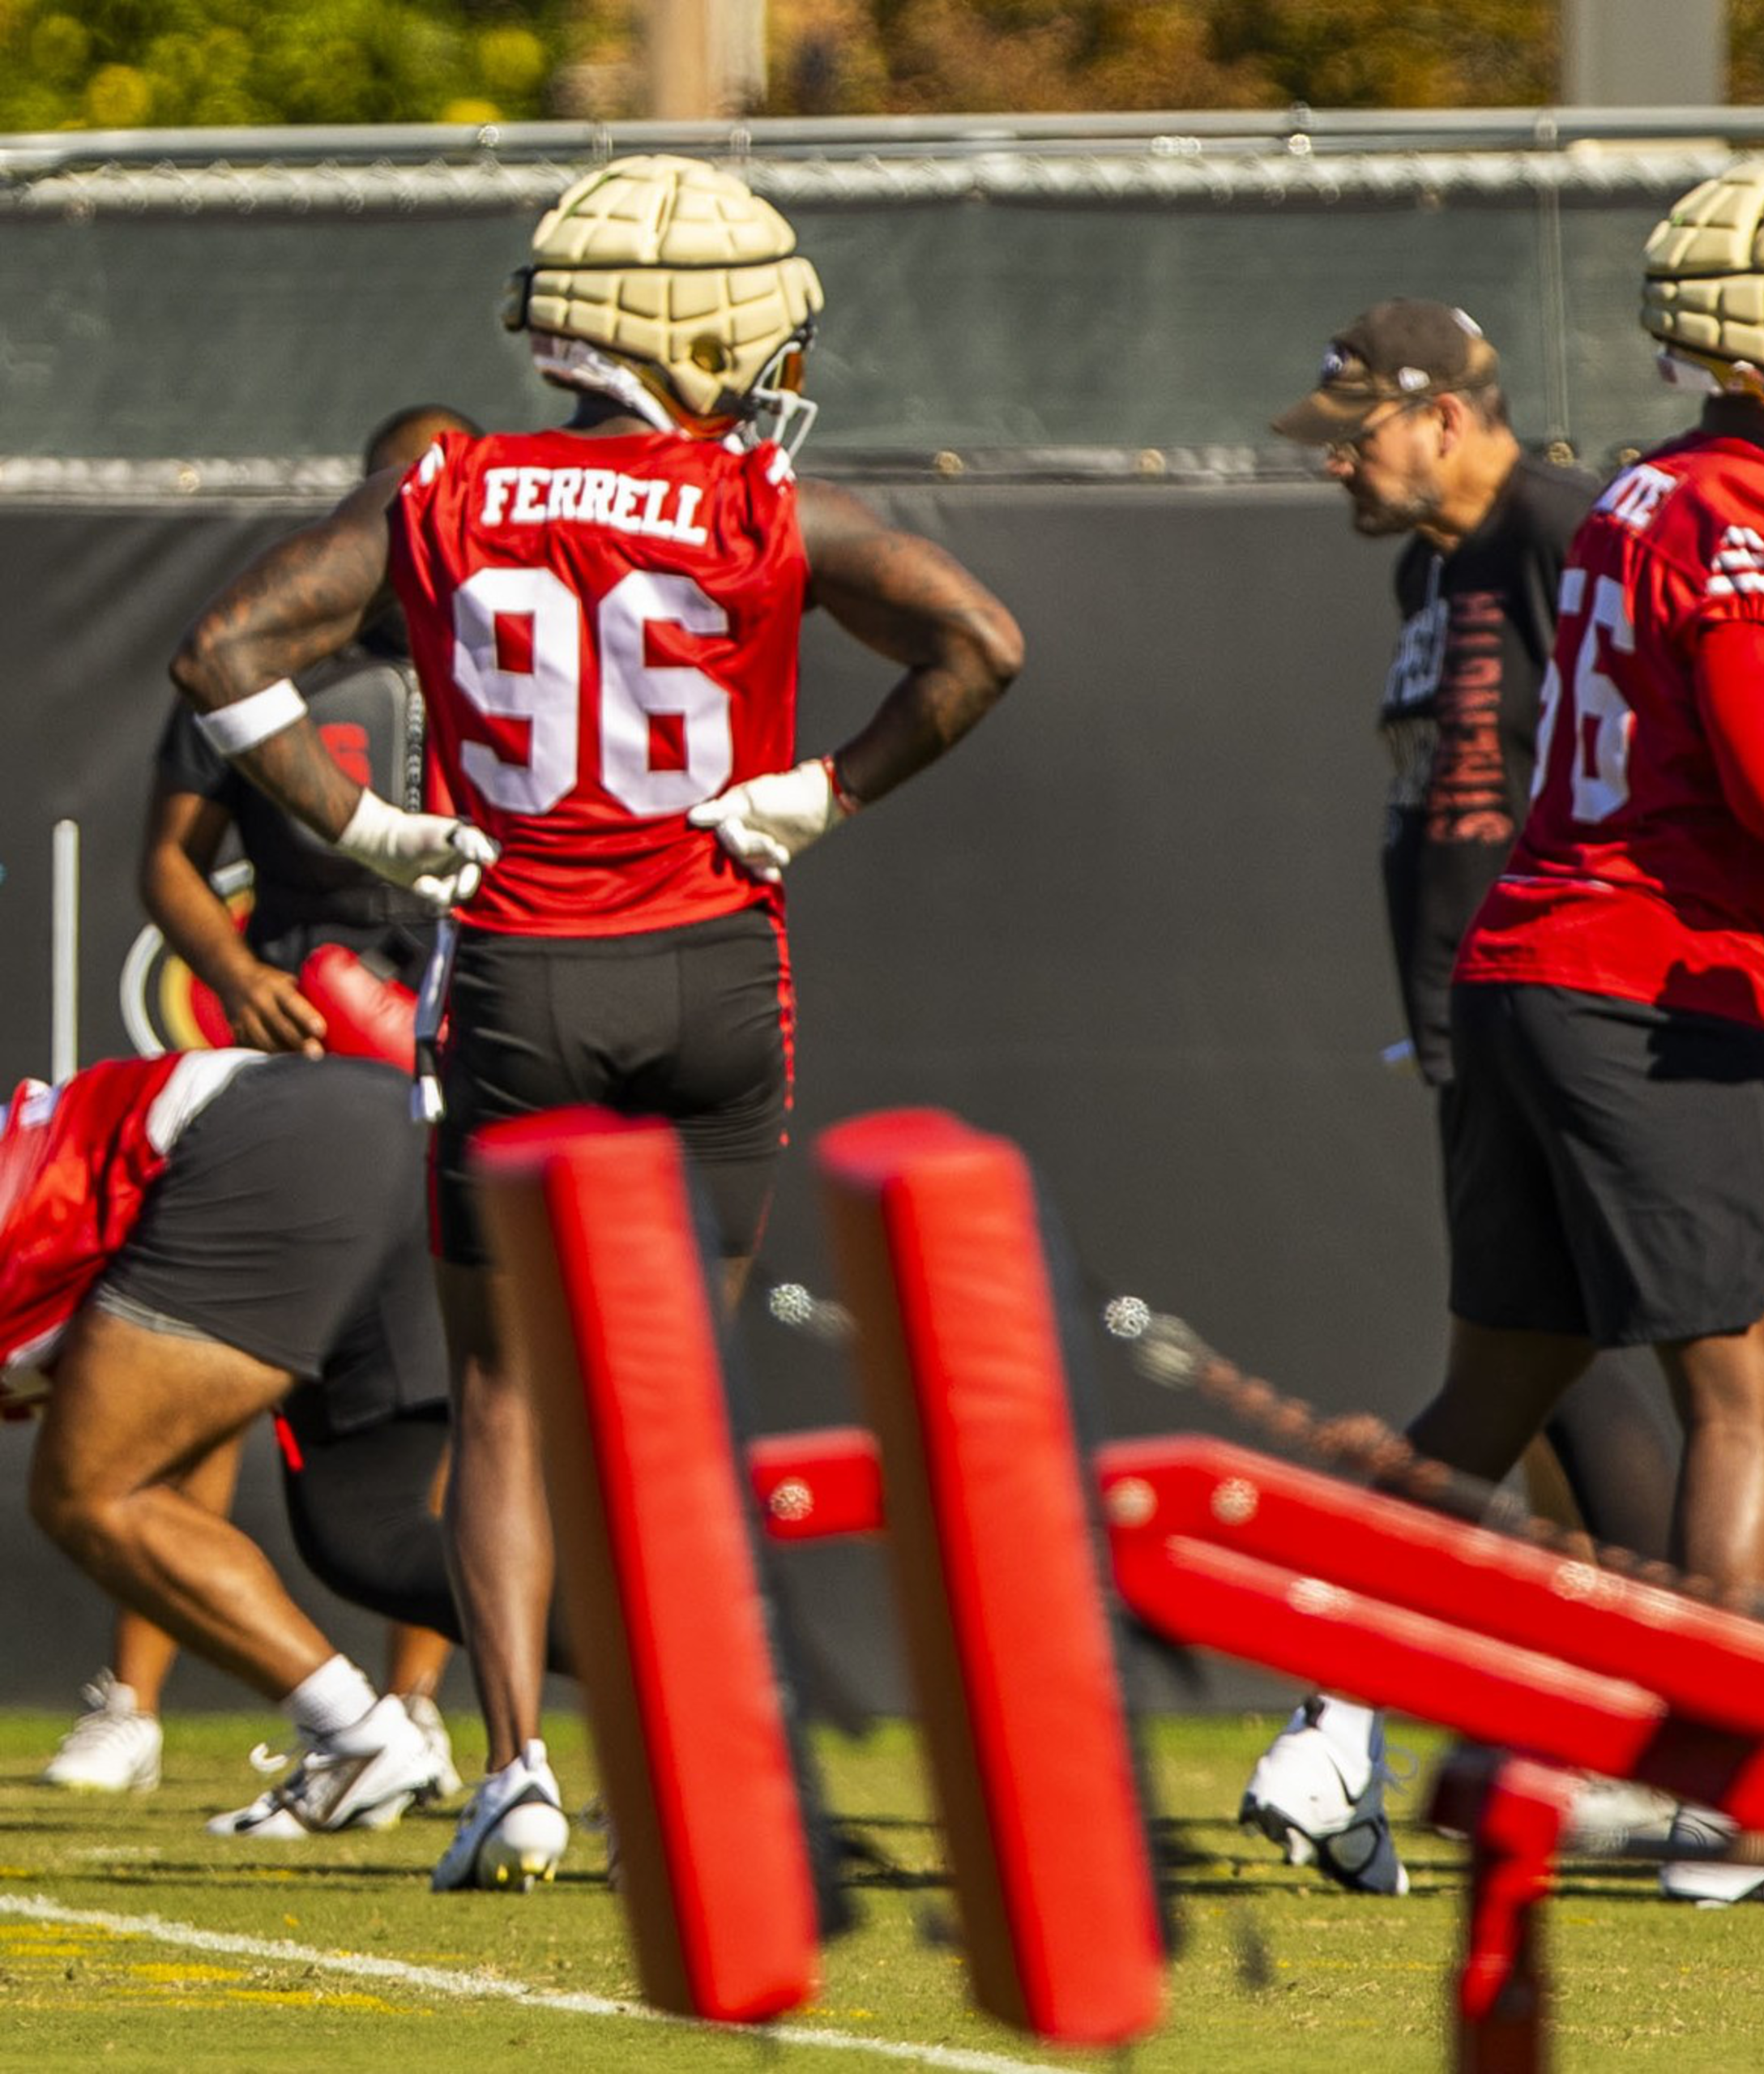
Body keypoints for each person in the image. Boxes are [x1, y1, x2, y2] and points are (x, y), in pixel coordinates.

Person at [167, 154, 1023, 1893]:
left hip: (517, 981)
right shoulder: (753, 501)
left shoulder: (446, 484)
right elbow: (980, 642)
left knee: (502, 1399)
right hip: (715, 969)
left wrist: (362, 831)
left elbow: (224, 650)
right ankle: (693, 1753)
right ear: (697, 330)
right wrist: (827, 794)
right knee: (670, 1404)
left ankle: (521, 1769)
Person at [1242, 155, 1764, 1905]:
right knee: (1745, 1389)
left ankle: (1322, 1721)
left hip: (1527, 968)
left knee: (1495, 1386)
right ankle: (1734, 1798)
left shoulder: (1630, 499)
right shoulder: (1753, 519)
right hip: (1656, 988)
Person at [48, 404, 477, 1802]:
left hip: (475, 1039)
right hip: (310, 1029)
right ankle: (135, 1696)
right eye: (393, 497)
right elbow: (170, 863)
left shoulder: (531, 660)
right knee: (203, 1365)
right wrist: (237, 966)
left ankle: (414, 1708)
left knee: (462, 1382)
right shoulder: (262, 659)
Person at [1266, 299, 1676, 1563]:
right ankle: (1601, 1676)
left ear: (1444, 416)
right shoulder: (1429, 563)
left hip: (1572, 993)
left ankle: (1694, 1672)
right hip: (1470, 1012)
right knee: (1523, 1361)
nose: (1336, 460)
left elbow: (1652, 756)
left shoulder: (1567, 532)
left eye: (1358, 432)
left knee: (1559, 1351)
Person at [5, 1051, 454, 1839]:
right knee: (372, 1536)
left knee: (88, 1488)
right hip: (369, 1121)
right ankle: (663, 1700)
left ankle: (360, 1736)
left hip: (259, 1134)